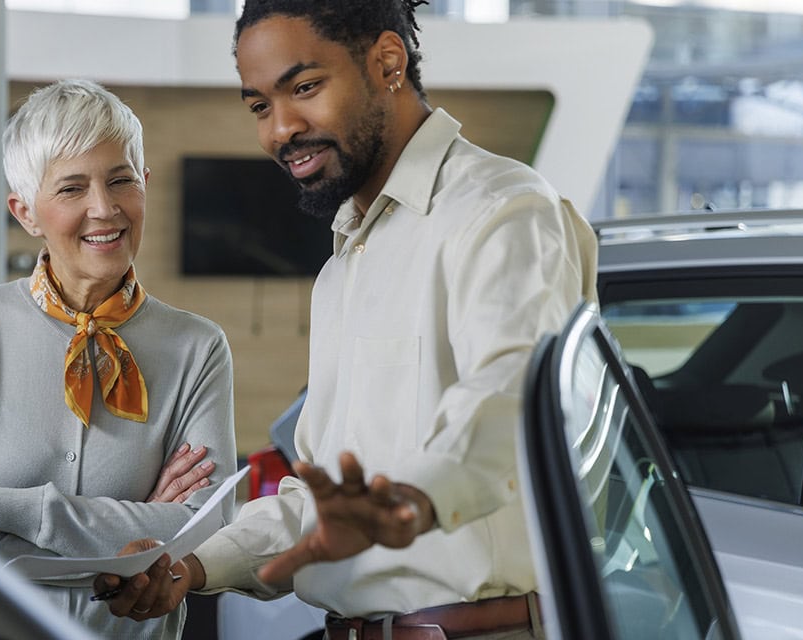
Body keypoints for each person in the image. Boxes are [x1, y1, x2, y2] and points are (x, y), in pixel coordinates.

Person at [96, 2, 598, 638]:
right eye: (258, 107)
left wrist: (411, 503)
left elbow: (510, 404)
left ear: (387, 61)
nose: (280, 130)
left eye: (304, 88)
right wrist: (189, 569)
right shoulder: (344, 264)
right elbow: (319, 501)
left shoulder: (502, 210)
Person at [0, 78, 238, 640]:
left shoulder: (197, 346)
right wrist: (133, 533)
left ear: (145, 186)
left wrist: (2, 507)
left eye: (121, 180)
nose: (104, 208)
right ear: (25, 211)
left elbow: (200, 530)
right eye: (71, 188)